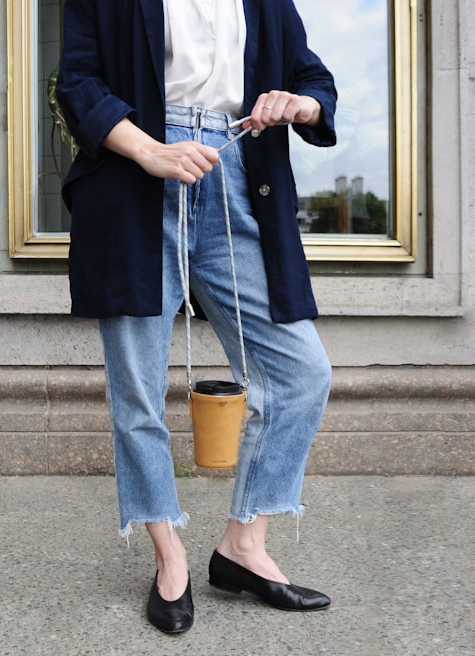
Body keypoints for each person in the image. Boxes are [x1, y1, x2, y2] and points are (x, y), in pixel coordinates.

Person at [57, 0, 337, 634]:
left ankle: (243, 546)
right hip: (137, 179)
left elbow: (314, 81)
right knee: (138, 390)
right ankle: (169, 555)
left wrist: (298, 104)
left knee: (301, 373)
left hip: (240, 176)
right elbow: (77, 81)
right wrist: (148, 150)